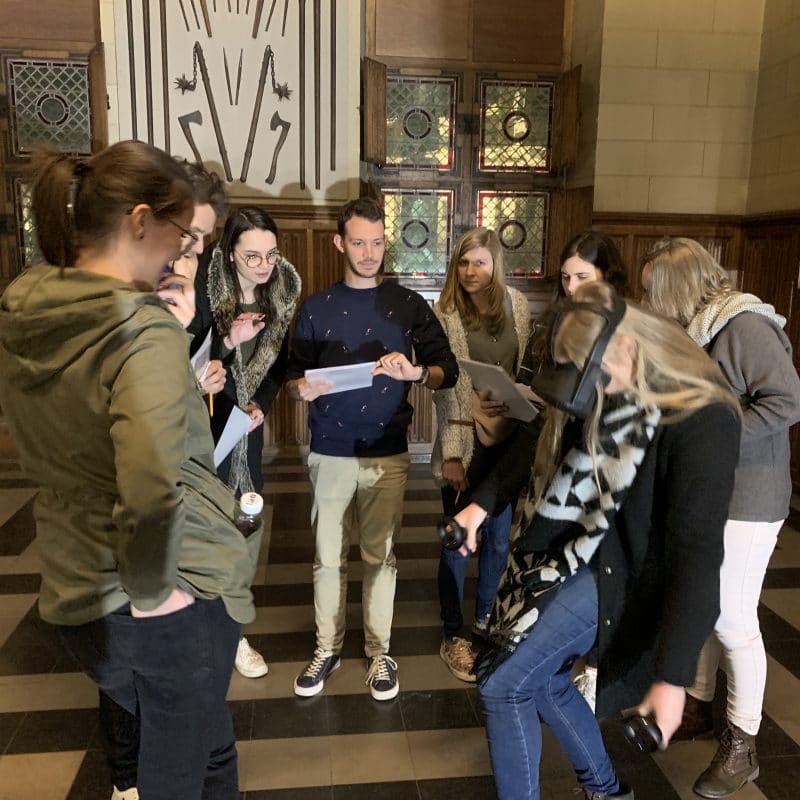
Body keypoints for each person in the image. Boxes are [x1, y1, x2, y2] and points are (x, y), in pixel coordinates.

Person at [0, 142, 261, 800]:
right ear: (140, 222)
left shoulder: (28, 311)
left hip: (72, 575)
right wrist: (157, 596)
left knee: (206, 742)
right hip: (157, 590)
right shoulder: (141, 332)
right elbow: (149, 487)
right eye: (179, 236)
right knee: (182, 772)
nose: (181, 257)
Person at [453, 281, 742, 800]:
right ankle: (607, 790)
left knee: (503, 685)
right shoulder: (615, 383)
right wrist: (481, 504)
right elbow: (542, 437)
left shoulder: (704, 417)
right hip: (576, 554)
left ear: (628, 346)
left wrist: (673, 679)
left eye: (594, 370)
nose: (592, 387)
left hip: (626, 577)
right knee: (545, 680)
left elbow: (697, 557)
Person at [641, 237, 800, 799]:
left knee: (733, 618)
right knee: (702, 601)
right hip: (710, 490)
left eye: (653, 292)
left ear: (678, 288)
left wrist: (711, 435)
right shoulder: (696, 330)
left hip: (750, 495)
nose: (649, 303)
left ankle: (743, 746)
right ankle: (699, 705)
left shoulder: (745, 326)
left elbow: (787, 402)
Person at [285, 197, 458, 700]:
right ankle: (327, 648)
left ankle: (380, 653)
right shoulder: (316, 307)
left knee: (381, 557)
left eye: (377, 242)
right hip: (330, 449)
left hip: (387, 451)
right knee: (327, 558)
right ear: (339, 243)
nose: (369, 253)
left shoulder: (408, 305)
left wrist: (416, 373)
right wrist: (301, 389)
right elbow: (292, 377)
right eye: (359, 243)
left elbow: (447, 370)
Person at [189, 206, 302, 679]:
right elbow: (189, 361)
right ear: (230, 253)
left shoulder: (280, 295)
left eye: (271, 255)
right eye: (252, 256)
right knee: (204, 534)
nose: (264, 265)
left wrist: (261, 404)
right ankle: (202, 631)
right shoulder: (202, 292)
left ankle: (233, 631)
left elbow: (278, 365)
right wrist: (228, 341)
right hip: (205, 435)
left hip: (246, 438)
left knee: (247, 527)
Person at [431, 227, 531, 682]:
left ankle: (486, 623)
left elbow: (520, 368)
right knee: (456, 541)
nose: (470, 271)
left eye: (480, 262)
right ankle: (453, 634)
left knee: (497, 540)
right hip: (465, 440)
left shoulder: (518, 305)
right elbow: (446, 389)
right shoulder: (446, 312)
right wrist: (452, 453)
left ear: (495, 265)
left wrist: (517, 400)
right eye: (463, 262)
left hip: (507, 438)